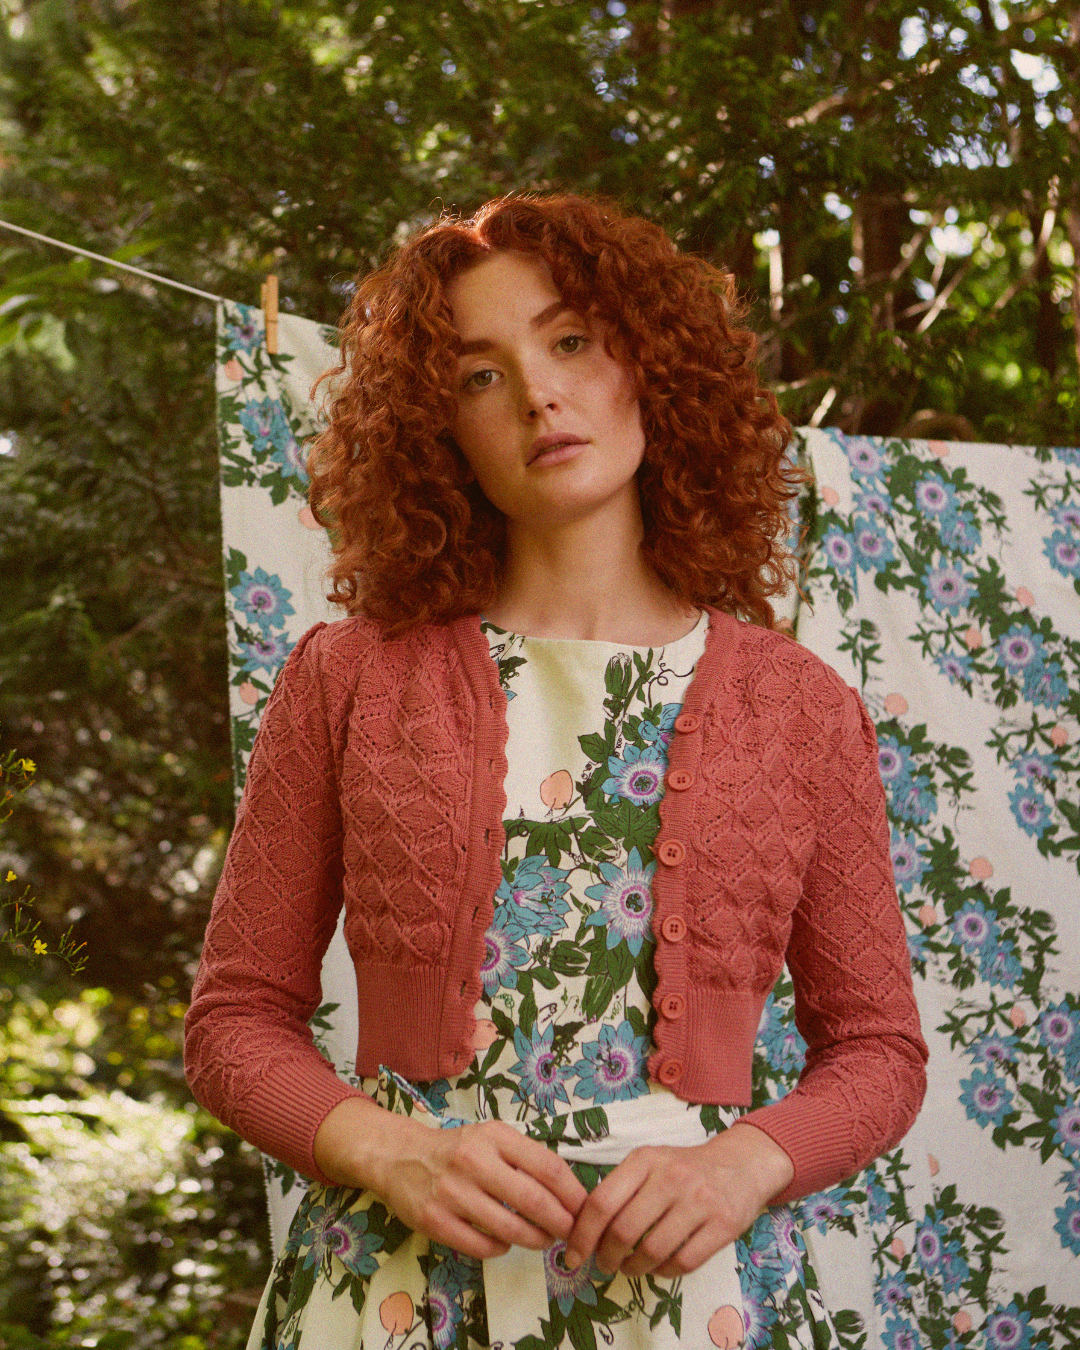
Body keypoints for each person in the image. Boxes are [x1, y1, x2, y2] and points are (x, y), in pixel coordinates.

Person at [184, 190, 928, 1350]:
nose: (537, 392)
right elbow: (233, 1021)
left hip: (697, 1301)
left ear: (648, 364)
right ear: (443, 429)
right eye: (480, 374)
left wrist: (742, 1164)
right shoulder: (347, 680)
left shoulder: (800, 709)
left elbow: (879, 1053)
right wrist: (397, 1153)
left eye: (571, 340)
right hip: (393, 1296)